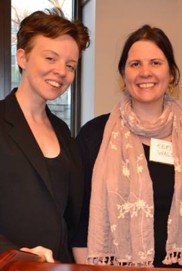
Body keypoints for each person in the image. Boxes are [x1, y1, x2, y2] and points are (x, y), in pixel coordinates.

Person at [72, 24, 182, 268]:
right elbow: (80, 220)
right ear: (124, 74)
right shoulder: (95, 135)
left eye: (155, 63)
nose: (145, 72)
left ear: (172, 74)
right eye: (135, 64)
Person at [0, 8, 90, 263]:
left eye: (70, 65)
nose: (61, 71)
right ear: (22, 58)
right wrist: (14, 255)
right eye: (51, 58)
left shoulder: (64, 133)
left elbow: (70, 219)